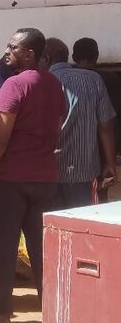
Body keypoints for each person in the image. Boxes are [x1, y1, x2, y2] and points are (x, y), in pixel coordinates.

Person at [0, 28, 67, 323]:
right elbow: (56, 128)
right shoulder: (55, 85)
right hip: (45, 178)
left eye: (13, 47)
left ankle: (2, 315)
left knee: (3, 249)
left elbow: (1, 138)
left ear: (30, 53)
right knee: (42, 250)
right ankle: (51, 315)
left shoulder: (13, 85)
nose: (7, 51)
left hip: (8, 179)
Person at [44, 38, 117, 209]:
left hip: (47, 172)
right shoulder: (93, 79)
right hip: (84, 172)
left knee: (52, 227)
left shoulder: (41, 81)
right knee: (84, 225)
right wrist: (110, 163)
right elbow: (106, 126)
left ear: (46, 58)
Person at [72, 37, 121, 201]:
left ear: (73, 57)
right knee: (100, 196)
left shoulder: (67, 79)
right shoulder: (110, 78)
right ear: (97, 55)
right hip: (103, 148)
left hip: (75, 150)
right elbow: (111, 120)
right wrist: (111, 158)